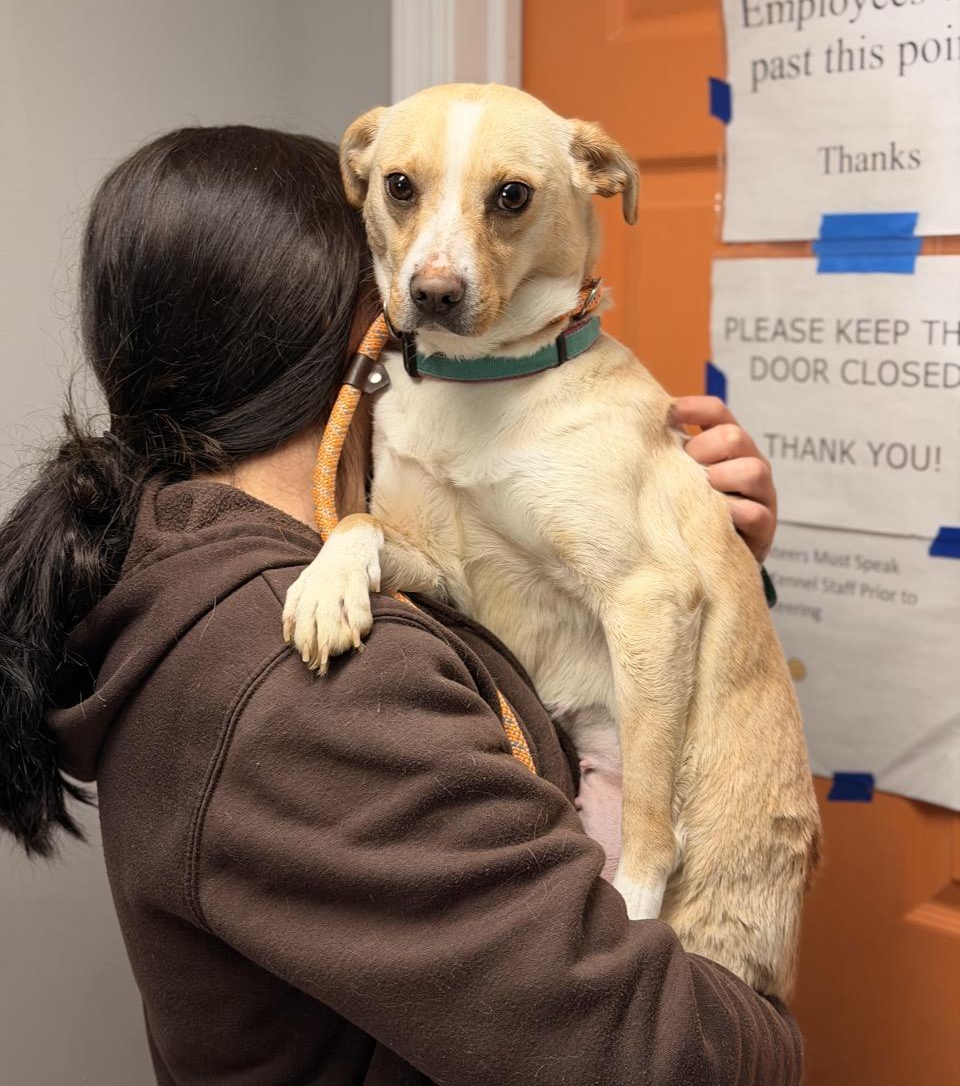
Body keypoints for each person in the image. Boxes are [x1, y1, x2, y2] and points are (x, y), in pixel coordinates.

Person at [0, 125, 796, 1085]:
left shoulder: (257, 558)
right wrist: (765, 1028)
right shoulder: (315, 672)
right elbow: (649, 1054)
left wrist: (701, 553)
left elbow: (529, 674)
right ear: (370, 331)